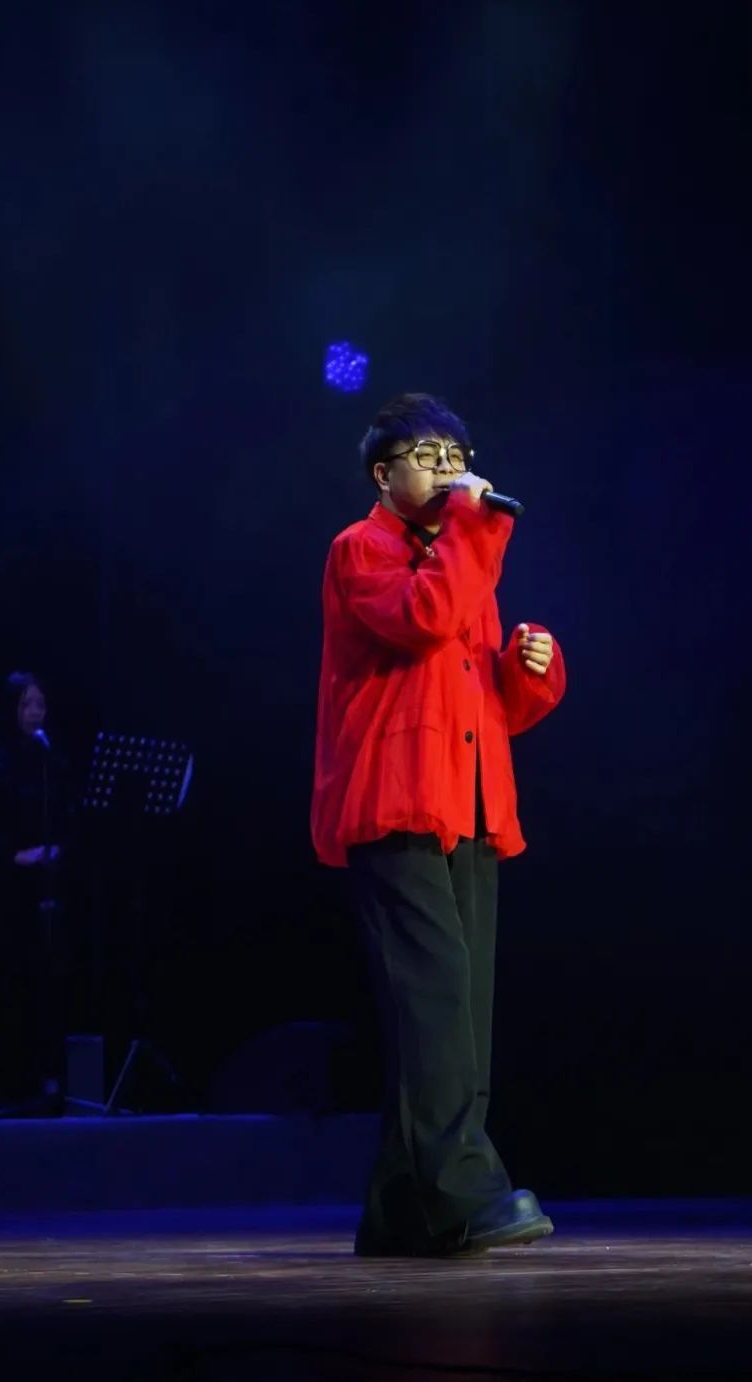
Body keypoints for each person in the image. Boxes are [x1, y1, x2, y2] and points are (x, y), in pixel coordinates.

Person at [312, 393, 567, 1256]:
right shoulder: (362, 549)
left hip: (470, 806)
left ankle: (400, 1213)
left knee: (463, 1011)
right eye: (430, 457)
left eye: (459, 457)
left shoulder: (458, 559)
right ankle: (459, 1193)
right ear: (384, 475)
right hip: (396, 804)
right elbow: (420, 623)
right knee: (435, 1006)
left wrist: (528, 670)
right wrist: (475, 532)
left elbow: (486, 705)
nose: (451, 472)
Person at [0, 671, 73, 1116]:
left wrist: (57, 848)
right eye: (26, 705)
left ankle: (33, 1089)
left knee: (34, 985)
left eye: (40, 704)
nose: (35, 713)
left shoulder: (46, 762)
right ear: (10, 709)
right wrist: (12, 855)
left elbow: (62, 814)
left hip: (35, 892)